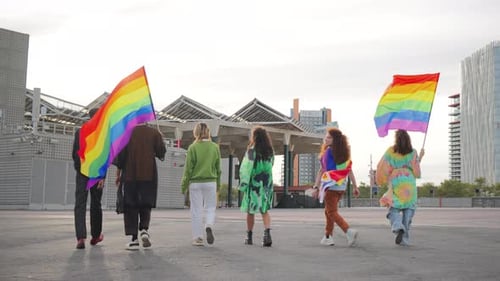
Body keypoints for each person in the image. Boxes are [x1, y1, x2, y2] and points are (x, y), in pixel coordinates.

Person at [113, 123, 166, 250]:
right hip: (149, 174)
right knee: (145, 203)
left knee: (131, 205)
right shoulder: (154, 133)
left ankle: (134, 239)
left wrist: (118, 174)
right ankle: (144, 229)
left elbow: (121, 157)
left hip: (130, 175)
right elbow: (161, 153)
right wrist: (160, 138)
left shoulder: (126, 133)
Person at [376, 129, 424, 246]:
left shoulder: (390, 152)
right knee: (409, 209)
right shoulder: (413, 152)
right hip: (409, 183)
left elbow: (382, 166)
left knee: (393, 206)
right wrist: (420, 157)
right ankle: (404, 239)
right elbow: (416, 170)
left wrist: (382, 179)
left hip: (397, 181)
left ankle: (397, 226)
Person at [312, 127, 359, 247]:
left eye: (329, 137)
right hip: (341, 187)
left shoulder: (327, 152)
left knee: (331, 211)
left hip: (331, 186)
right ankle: (328, 236)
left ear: (335, 140)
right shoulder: (343, 153)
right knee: (329, 211)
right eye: (326, 137)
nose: (325, 139)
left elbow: (322, 171)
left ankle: (348, 231)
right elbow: (349, 170)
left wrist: (316, 187)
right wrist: (355, 186)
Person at [181, 122, 221, 246]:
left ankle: (198, 238)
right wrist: (218, 185)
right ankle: (208, 224)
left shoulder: (192, 148)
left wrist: (184, 185)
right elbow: (218, 168)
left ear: (196, 132)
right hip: (211, 181)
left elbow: (188, 169)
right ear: (208, 132)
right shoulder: (215, 147)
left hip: (195, 183)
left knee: (196, 210)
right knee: (210, 207)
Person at [72, 108, 105, 249]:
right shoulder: (102, 133)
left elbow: (75, 154)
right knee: (95, 204)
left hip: (82, 173)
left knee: (80, 204)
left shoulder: (80, 132)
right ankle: (96, 236)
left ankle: (80, 238)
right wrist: (102, 176)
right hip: (97, 173)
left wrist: (79, 170)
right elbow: (104, 156)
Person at [239, 126, 275, 247]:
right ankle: (267, 234)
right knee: (264, 210)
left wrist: (243, 184)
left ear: (254, 137)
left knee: (251, 211)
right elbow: (271, 165)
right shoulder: (270, 151)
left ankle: (249, 236)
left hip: (253, 183)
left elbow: (245, 168)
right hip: (266, 184)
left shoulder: (251, 151)